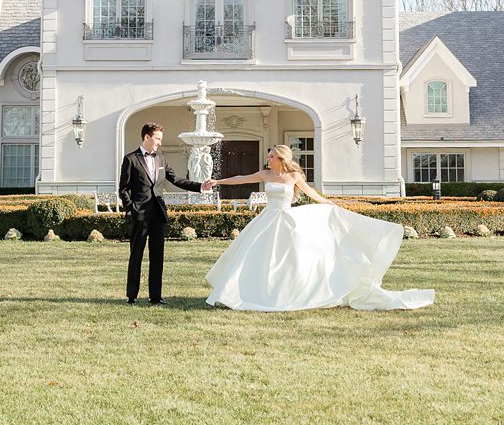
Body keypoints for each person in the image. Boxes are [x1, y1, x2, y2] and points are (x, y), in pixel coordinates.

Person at [199, 145, 434, 312]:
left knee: (289, 260)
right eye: (268, 156)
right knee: (256, 256)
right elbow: (242, 178)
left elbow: (310, 192)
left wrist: (328, 203)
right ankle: (246, 292)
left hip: (286, 219)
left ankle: (286, 293)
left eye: (271, 156)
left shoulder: (293, 175)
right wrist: (217, 182)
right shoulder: (265, 173)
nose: (268, 159)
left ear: (281, 158)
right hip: (266, 220)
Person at [118, 123, 204, 305]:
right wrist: (131, 208)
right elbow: (123, 189)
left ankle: (155, 296)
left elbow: (175, 179)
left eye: (160, 139)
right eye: (157, 139)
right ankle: (131, 296)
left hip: (158, 214)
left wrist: (200, 186)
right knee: (136, 255)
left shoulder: (161, 159)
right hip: (139, 215)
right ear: (146, 138)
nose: (159, 143)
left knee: (157, 257)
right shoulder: (130, 159)